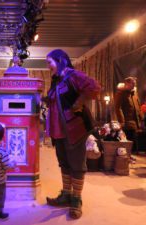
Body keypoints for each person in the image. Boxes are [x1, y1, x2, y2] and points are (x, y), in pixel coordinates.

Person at [45, 49, 100, 219]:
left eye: (50, 62)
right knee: (64, 164)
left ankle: (76, 199)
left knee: (76, 164)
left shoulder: (72, 75)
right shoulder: (56, 80)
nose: (48, 67)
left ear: (60, 60)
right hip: (58, 131)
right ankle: (66, 195)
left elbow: (94, 87)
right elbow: (56, 102)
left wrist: (79, 102)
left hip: (74, 129)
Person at [114, 76, 143, 154]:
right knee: (128, 140)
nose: (134, 85)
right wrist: (122, 121)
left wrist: (141, 118)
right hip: (127, 122)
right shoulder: (121, 93)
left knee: (134, 139)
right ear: (126, 84)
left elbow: (138, 106)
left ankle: (130, 155)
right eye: (133, 83)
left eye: (135, 83)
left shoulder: (134, 93)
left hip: (134, 122)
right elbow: (118, 108)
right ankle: (127, 156)